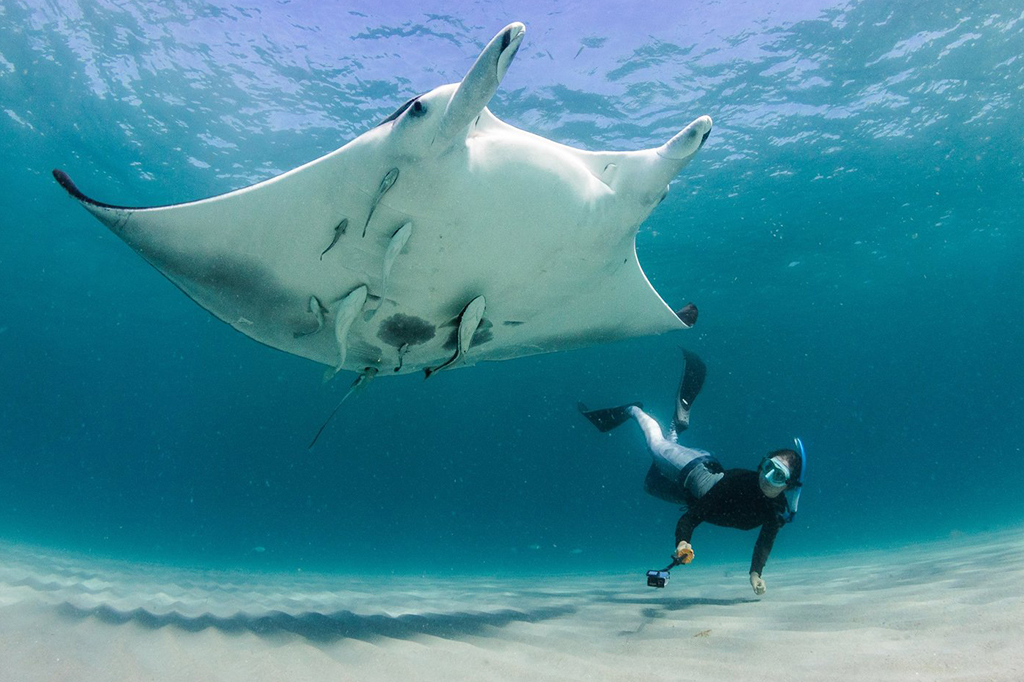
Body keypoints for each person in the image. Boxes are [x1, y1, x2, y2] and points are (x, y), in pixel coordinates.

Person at [578, 349, 806, 595]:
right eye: (767, 466)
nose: (766, 477)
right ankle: (634, 410)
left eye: (778, 475)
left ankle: (676, 429)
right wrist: (683, 542)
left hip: (691, 493)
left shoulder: (775, 512)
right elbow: (691, 518)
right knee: (656, 446)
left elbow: (764, 542)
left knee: (650, 485)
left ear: (789, 485)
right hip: (690, 466)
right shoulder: (739, 483)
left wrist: (755, 574)